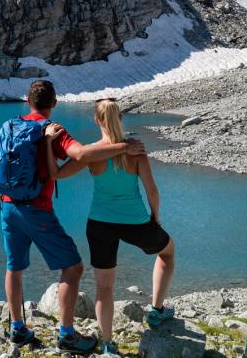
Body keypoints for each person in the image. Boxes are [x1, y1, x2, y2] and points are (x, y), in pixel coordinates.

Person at [0, 81, 145, 353]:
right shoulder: (52, 130)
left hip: (8, 207)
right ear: (53, 103)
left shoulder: (10, 126)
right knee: (72, 267)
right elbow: (80, 154)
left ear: (28, 101)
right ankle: (67, 334)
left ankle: (18, 328)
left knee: (15, 267)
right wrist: (122, 147)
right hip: (37, 209)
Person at [53, 98, 177, 356]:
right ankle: (156, 311)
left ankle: (108, 344)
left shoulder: (90, 153)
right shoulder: (136, 151)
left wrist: (46, 144)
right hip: (136, 223)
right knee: (166, 252)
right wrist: (156, 218)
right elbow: (151, 190)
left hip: (99, 225)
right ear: (120, 118)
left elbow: (57, 174)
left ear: (96, 121)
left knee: (104, 287)